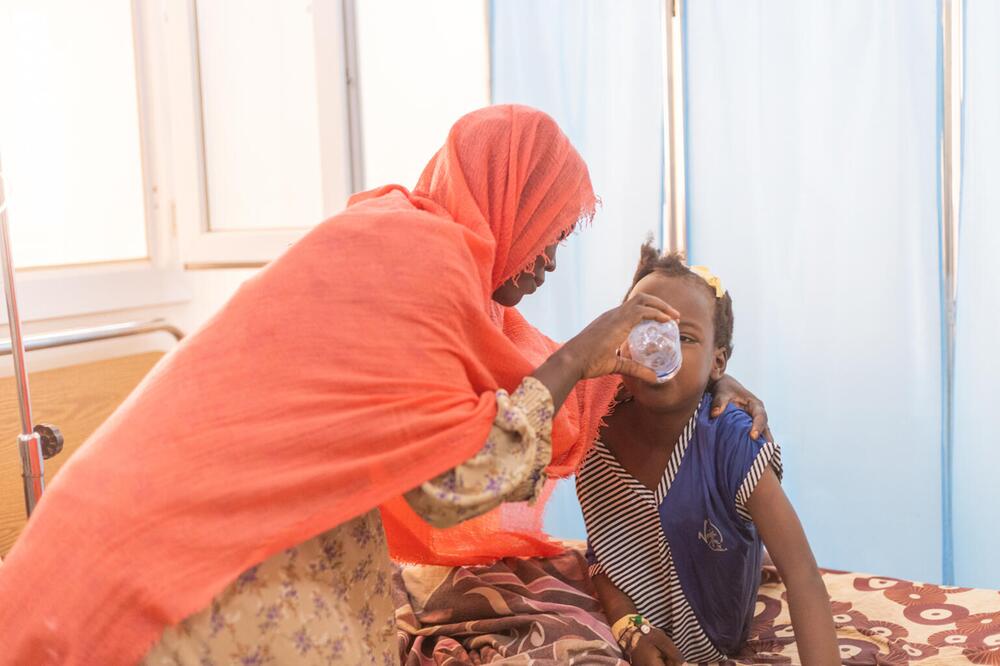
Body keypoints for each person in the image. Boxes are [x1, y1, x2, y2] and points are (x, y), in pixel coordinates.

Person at [0, 106, 768, 665]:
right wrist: (582, 353)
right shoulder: (417, 262)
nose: (549, 264)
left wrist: (707, 384)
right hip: (179, 560)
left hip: (189, 525)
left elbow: (537, 374)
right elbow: (455, 484)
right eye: (547, 233)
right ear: (508, 195)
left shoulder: (411, 247)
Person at [578, 244, 837, 665]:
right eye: (645, 328)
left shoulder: (732, 440)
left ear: (719, 363)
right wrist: (630, 628)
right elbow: (604, 551)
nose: (661, 349)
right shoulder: (592, 424)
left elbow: (803, 575)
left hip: (715, 636)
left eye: (684, 337)